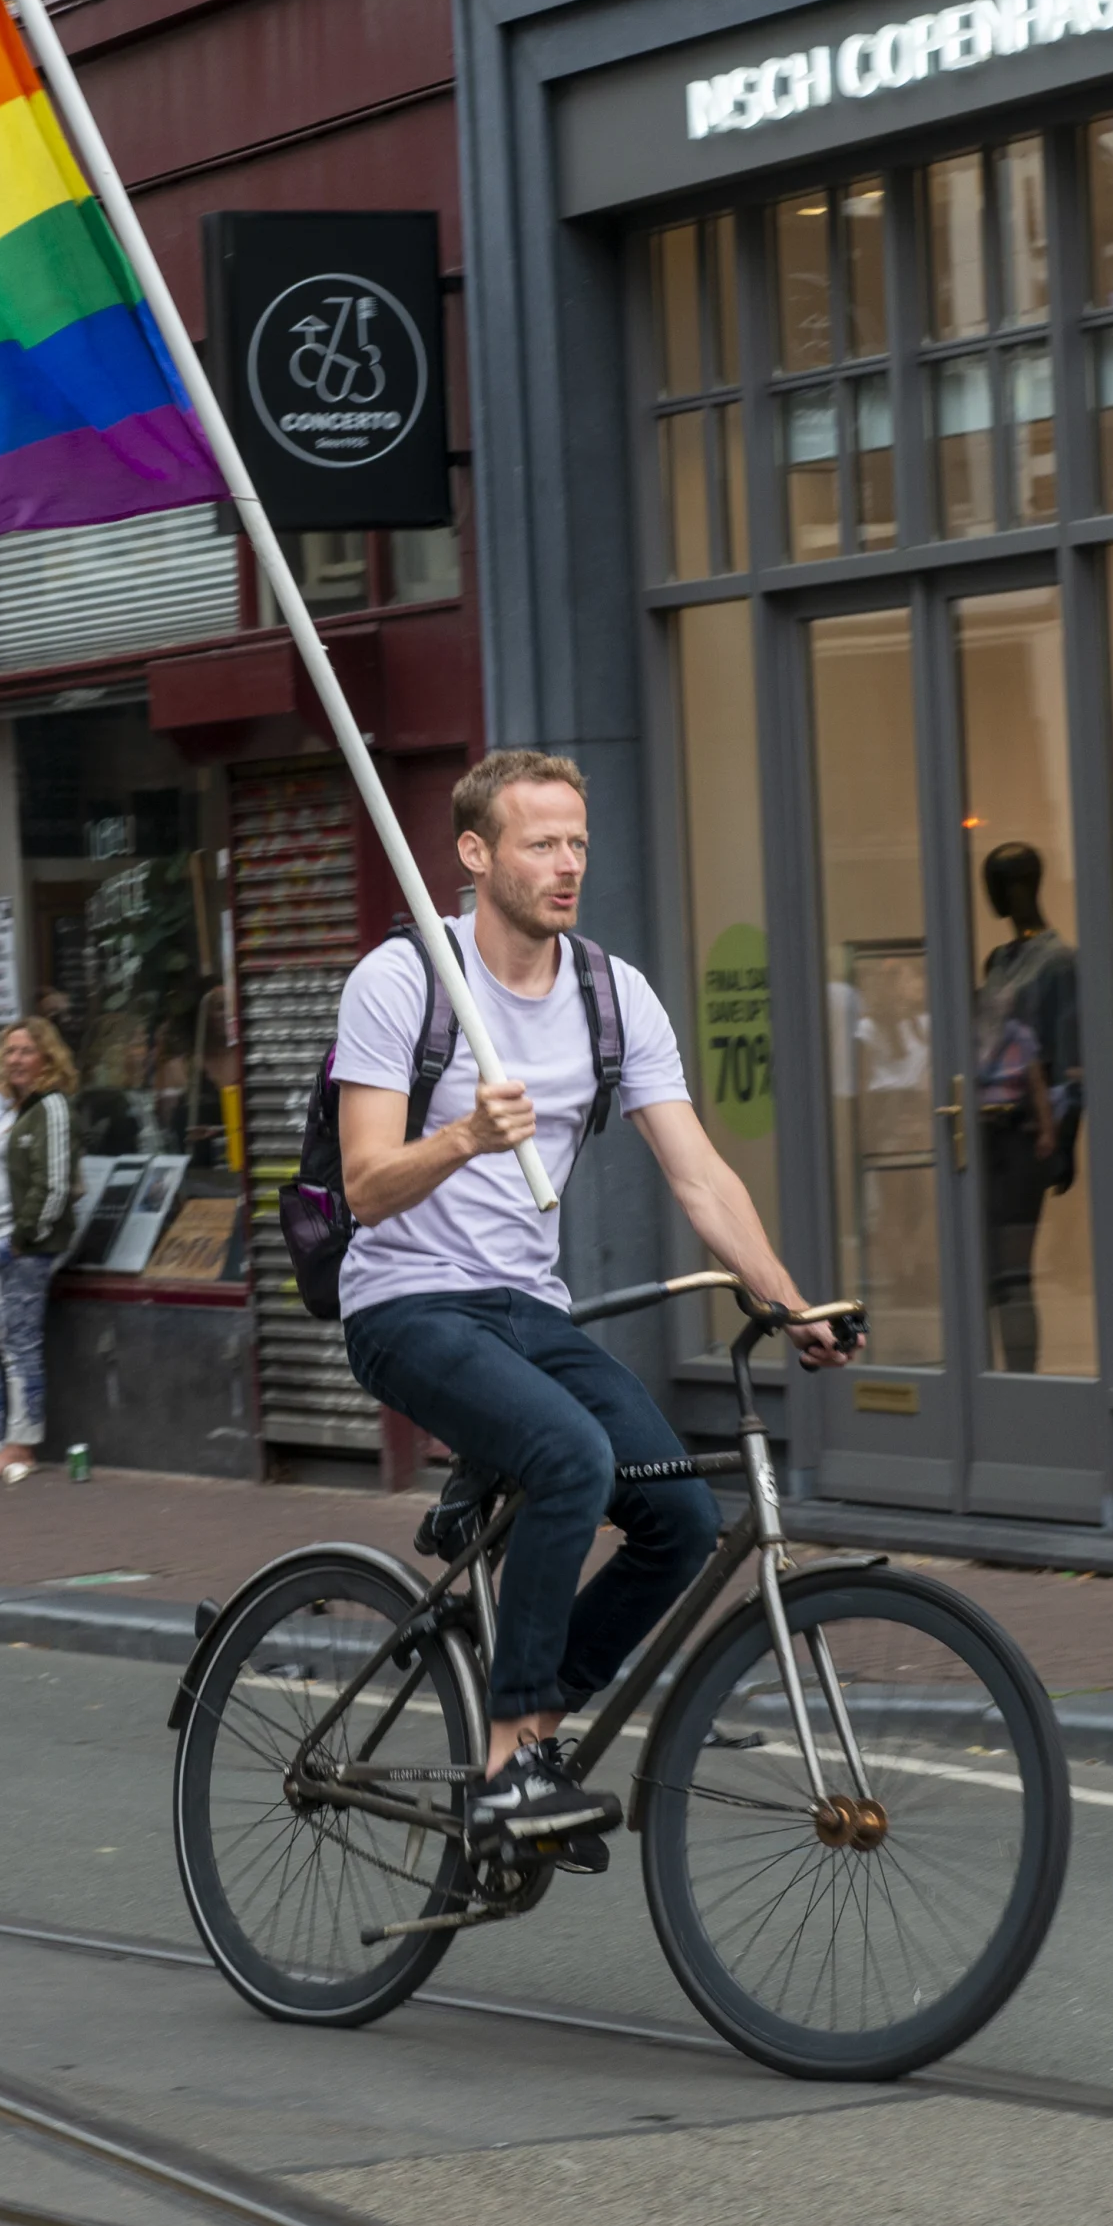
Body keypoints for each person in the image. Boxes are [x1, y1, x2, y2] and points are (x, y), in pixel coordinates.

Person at [333, 748, 846, 1846]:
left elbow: (700, 1174)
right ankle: (508, 1772)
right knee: (572, 1455)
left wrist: (791, 1301)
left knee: (678, 1518)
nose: (567, 865)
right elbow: (366, 1188)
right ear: (474, 855)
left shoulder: (614, 994)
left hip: (529, 1309)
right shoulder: (403, 981)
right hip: (406, 1301)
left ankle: (534, 1725)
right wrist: (468, 1133)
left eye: (578, 842)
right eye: (540, 843)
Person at [0, 1017, 79, 1481]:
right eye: (9, 1051)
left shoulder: (52, 1107)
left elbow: (55, 1182)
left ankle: (21, 1445)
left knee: (16, 1344)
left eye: (26, 1051)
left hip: (22, 1247)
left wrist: (23, 1238)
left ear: (48, 1057)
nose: (15, 1059)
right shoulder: (13, 1110)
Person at [972, 841, 1082, 1375]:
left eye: (993, 881)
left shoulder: (1058, 963)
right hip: (983, 1132)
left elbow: (1069, 1060)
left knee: (1013, 1268)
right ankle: (994, 1375)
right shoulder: (1000, 960)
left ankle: (1021, 1377)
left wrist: (1064, 1139)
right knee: (989, 1269)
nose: (987, 893)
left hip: (1025, 1132)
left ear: (1016, 885)